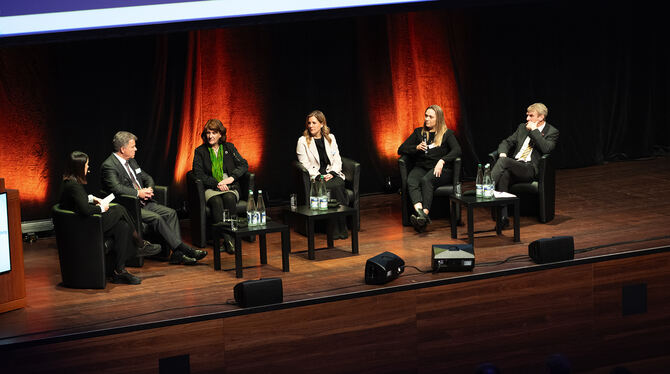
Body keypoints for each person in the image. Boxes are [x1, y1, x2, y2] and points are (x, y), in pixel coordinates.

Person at [101, 131, 207, 265]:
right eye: (133, 146)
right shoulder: (109, 166)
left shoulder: (132, 161)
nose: (136, 149)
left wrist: (149, 189)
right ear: (123, 149)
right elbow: (116, 188)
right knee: (156, 218)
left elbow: (147, 177)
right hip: (128, 208)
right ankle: (184, 249)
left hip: (145, 203)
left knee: (171, 213)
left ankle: (177, 254)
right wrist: (138, 193)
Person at [58, 151, 162, 285]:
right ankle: (139, 243)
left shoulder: (69, 182)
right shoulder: (74, 185)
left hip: (83, 224)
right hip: (84, 228)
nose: (88, 168)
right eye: (86, 165)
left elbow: (75, 202)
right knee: (119, 209)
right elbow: (85, 210)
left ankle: (120, 271)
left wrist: (91, 198)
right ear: (79, 167)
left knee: (122, 227)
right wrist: (102, 208)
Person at [491, 102, 559, 227]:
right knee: (504, 174)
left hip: (530, 168)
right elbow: (506, 142)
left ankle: (485, 189)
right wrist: (502, 153)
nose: (527, 118)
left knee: (504, 163)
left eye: (531, 116)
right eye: (527, 115)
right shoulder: (522, 127)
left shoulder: (552, 131)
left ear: (541, 117)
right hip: (516, 164)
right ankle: (503, 218)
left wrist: (534, 131)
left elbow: (546, 149)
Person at [398, 104, 462, 232]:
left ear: (438, 119)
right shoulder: (419, 133)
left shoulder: (446, 134)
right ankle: (422, 215)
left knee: (426, 180)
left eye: (430, 117)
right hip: (422, 166)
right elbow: (401, 149)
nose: (427, 119)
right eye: (426, 116)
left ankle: (423, 215)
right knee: (411, 180)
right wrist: (416, 148)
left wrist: (442, 160)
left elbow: (457, 150)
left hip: (441, 170)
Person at [192, 119, 249, 254]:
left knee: (229, 198)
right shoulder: (200, 151)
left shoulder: (229, 147)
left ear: (220, 134)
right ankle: (228, 240)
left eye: (214, 133)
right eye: (208, 133)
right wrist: (217, 184)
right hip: (210, 185)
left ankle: (232, 239)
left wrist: (230, 179)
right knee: (216, 201)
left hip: (229, 184)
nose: (210, 136)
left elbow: (244, 164)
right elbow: (198, 174)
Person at [296, 110, 349, 239]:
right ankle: (335, 230)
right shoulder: (302, 141)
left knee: (338, 185)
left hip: (332, 174)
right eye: (309, 123)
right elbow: (305, 164)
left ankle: (341, 228)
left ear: (321, 124)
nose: (311, 126)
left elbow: (337, 159)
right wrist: (320, 176)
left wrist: (331, 173)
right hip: (316, 177)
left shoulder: (331, 138)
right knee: (332, 188)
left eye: (314, 123)